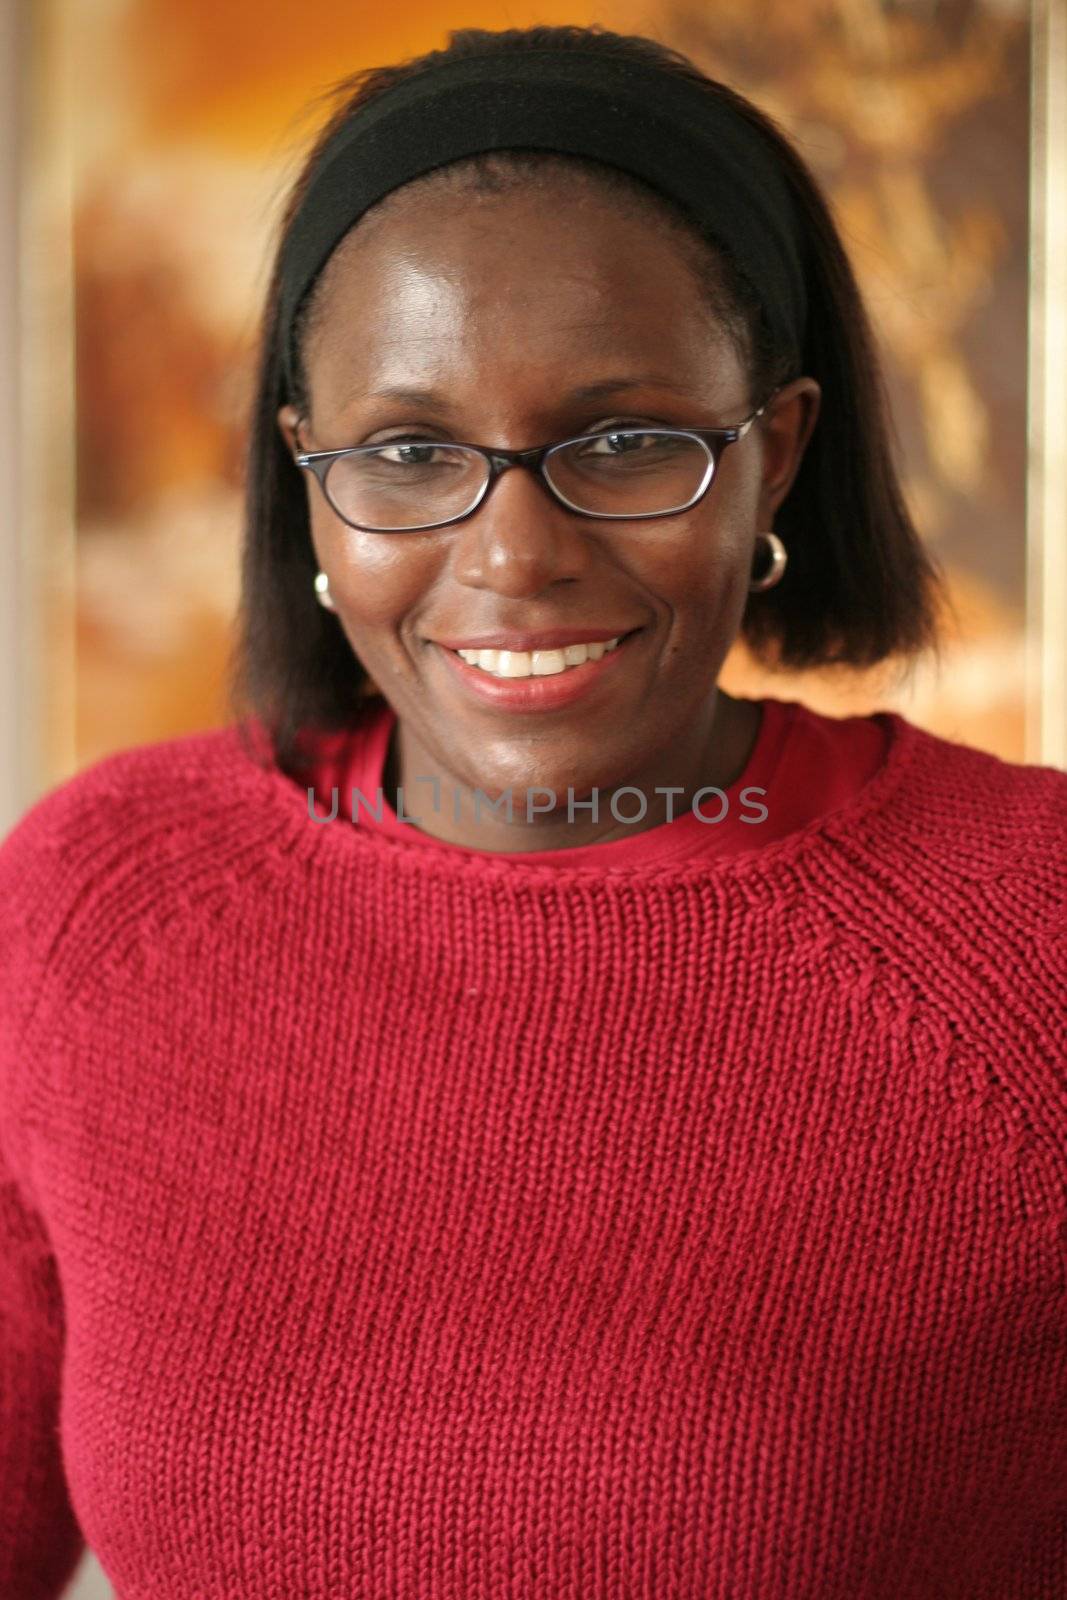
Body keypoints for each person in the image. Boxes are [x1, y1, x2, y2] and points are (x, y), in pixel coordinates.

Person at [1, 23, 1064, 1600]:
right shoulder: (94, 903)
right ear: (307, 475)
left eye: (627, 442)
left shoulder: (1025, 939)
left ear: (775, 453)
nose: (513, 559)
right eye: (412, 450)